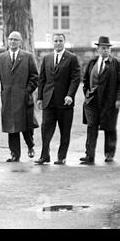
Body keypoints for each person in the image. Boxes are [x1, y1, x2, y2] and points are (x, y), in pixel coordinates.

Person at [0, 31, 39, 162]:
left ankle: (30, 146)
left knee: (26, 127)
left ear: (20, 42)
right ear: (7, 41)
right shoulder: (1, 58)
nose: (12, 42)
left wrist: (27, 91)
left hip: (24, 99)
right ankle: (14, 154)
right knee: (12, 129)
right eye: (10, 39)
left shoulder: (27, 57)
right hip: (8, 99)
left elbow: (35, 77)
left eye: (15, 40)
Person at [35, 34, 81, 165]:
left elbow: (75, 78)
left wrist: (70, 95)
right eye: (56, 41)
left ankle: (61, 157)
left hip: (65, 102)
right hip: (48, 101)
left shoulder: (72, 58)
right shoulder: (47, 58)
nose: (58, 43)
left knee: (64, 130)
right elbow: (42, 79)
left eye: (60, 41)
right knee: (45, 129)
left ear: (64, 42)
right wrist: (40, 98)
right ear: (52, 42)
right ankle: (44, 156)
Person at [80, 36, 120, 164]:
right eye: (103, 48)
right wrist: (87, 93)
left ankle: (109, 153)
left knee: (110, 127)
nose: (105, 51)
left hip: (109, 101)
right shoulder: (92, 62)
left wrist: (118, 99)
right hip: (92, 101)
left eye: (108, 48)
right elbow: (85, 80)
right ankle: (89, 155)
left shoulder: (115, 63)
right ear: (98, 49)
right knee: (91, 127)